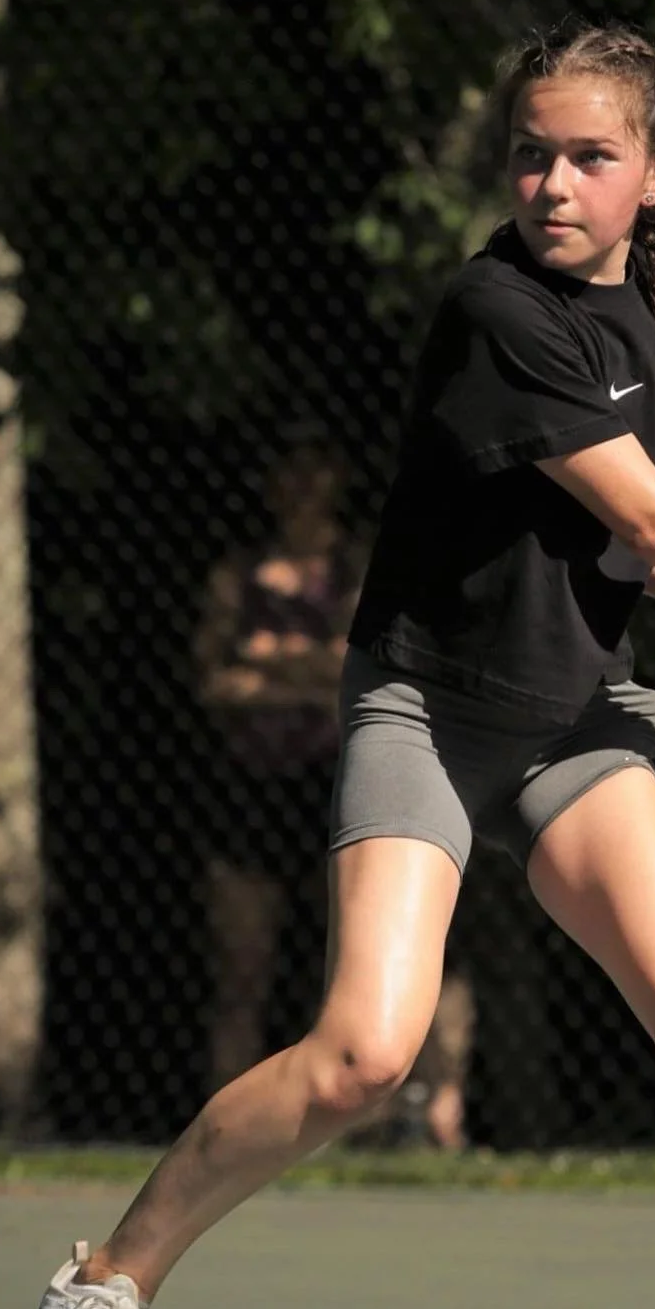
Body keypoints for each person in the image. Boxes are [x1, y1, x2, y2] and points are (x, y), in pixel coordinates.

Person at [22, 17, 655, 1309]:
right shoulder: (493, 310)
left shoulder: (648, 324)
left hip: (571, 719)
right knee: (367, 1055)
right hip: (428, 711)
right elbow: (648, 509)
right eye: (532, 156)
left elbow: (645, 556)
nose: (555, 185)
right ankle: (99, 1287)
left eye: (592, 157)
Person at [195, 427, 473, 1146]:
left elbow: (357, 669)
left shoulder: (360, 568)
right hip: (253, 792)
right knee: (241, 970)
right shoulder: (240, 574)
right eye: (289, 469)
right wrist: (306, 668)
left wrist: (266, 660)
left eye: (317, 469)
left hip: (346, 784)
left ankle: (418, 1125)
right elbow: (214, 681)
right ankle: (225, 1134)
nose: (302, 485)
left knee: (368, 963)